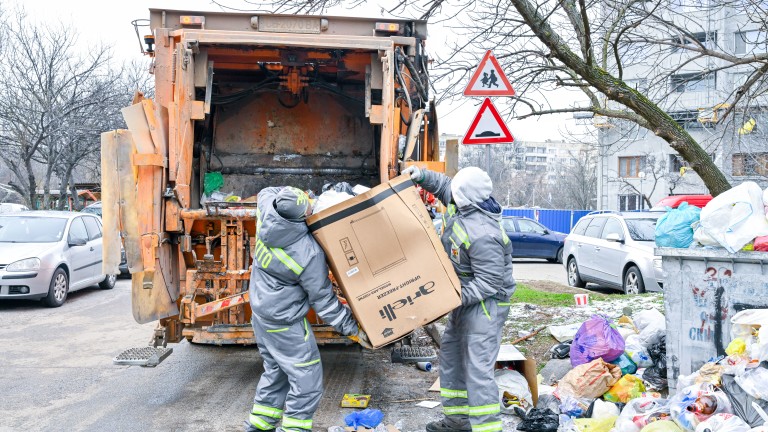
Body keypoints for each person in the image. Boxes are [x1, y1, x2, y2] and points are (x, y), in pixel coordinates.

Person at [245, 186, 371, 432]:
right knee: (307, 377)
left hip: (261, 312)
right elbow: (324, 301)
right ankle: (294, 428)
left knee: (277, 370)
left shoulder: (266, 214)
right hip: (284, 321)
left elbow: (266, 191)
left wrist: (287, 194)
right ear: (303, 216)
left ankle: (259, 424)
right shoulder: (308, 253)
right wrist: (353, 329)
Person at [403, 166, 515, 432]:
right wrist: (420, 175)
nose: (450, 193)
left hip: (485, 306)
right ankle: (457, 422)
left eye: (456, 191)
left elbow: (489, 282)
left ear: (466, 196)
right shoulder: (462, 204)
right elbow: (444, 185)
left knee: (477, 372)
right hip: (464, 299)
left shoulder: (484, 233)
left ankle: (487, 428)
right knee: (452, 360)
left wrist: (452, 298)